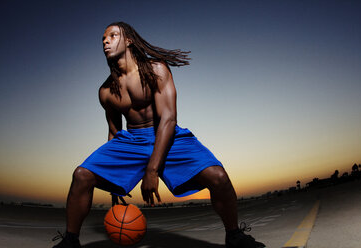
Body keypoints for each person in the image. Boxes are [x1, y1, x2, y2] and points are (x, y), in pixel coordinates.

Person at [52, 21, 265, 248]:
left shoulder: (156, 70)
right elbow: (114, 132)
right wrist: (112, 177)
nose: (105, 41)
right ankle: (70, 241)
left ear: (129, 40)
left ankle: (234, 236)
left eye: (113, 35)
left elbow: (168, 119)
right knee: (82, 175)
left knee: (218, 177)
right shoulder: (105, 91)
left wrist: (152, 169)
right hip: (131, 140)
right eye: (103, 38)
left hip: (166, 133)